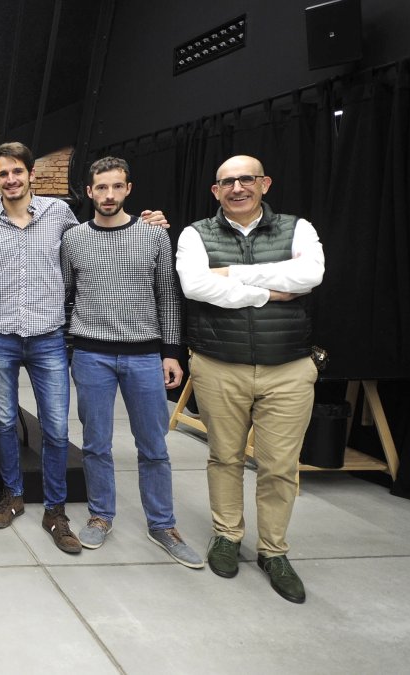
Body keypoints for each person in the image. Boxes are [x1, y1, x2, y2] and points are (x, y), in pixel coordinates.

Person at [0, 142, 166, 554]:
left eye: (17, 172)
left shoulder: (59, 215)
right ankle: (13, 495)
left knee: (56, 427)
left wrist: (148, 222)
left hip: (48, 336)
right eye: (3, 174)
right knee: (4, 422)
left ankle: (55, 509)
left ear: (30, 175)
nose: (11, 180)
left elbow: (99, 238)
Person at [176, 155, 324, 603]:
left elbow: (310, 275)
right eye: (227, 182)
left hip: (289, 367)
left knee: (280, 466)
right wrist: (270, 290)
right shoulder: (195, 233)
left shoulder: (298, 228)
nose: (237, 187)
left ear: (265, 184)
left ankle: (274, 551)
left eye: (246, 179)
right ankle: (226, 535)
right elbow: (196, 287)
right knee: (224, 456)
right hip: (220, 363)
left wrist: (234, 275)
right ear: (215, 191)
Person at [62, 157, 203, 568]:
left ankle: (162, 524)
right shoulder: (73, 239)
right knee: (95, 444)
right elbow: (68, 292)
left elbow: (168, 296)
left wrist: (173, 351)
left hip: (145, 355)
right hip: (91, 355)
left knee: (153, 446)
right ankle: (101, 515)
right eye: (100, 188)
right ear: (89, 192)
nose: (108, 195)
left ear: (128, 189)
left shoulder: (154, 236)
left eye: (116, 187)